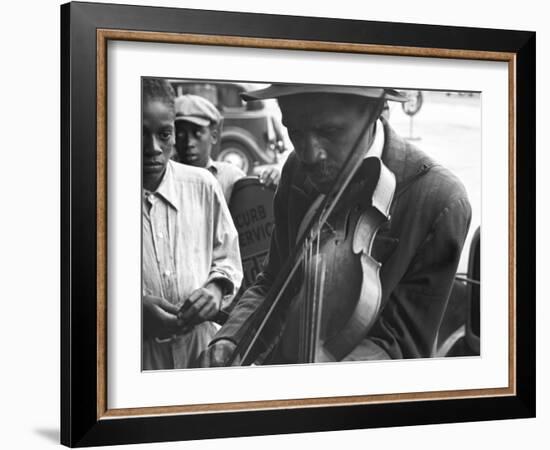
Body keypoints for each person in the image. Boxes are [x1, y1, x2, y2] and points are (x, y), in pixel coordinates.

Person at [199, 83, 472, 366]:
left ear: (376, 111)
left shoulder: (439, 200)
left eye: (329, 132)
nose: (309, 154)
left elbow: (400, 347)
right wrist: (231, 339)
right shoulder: (295, 169)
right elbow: (274, 281)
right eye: (295, 131)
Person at [141, 78, 242, 370]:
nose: (153, 148)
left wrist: (214, 290)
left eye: (164, 134)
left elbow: (228, 260)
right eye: (140, 134)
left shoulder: (203, 185)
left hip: (201, 353)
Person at [173, 94, 280, 203]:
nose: (189, 143)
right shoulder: (166, 179)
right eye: (180, 134)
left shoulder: (230, 178)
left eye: (197, 133)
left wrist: (272, 183)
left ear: (213, 136)